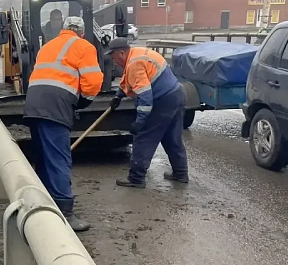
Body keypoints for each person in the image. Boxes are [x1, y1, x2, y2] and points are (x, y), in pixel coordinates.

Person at [23, 16, 103, 232]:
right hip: (56, 106)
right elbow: (93, 82)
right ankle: (65, 212)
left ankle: (42, 203)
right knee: (59, 158)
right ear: (82, 33)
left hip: (33, 103)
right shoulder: (84, 46)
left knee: (43, 155)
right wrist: (82, 102)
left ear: (62, 30)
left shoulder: (47, 46)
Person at [106, 37, 189, 188]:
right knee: (172, 138)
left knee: (144, 138)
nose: (114, 60)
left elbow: (145, 97)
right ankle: (181, 173)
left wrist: (140, 122)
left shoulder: (134, 64)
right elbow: (129, 78)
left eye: (113, 56)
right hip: (175, 95)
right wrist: (119, 95)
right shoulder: (136, 54)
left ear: (121, 53)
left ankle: (136, 178)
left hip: (161, 101)